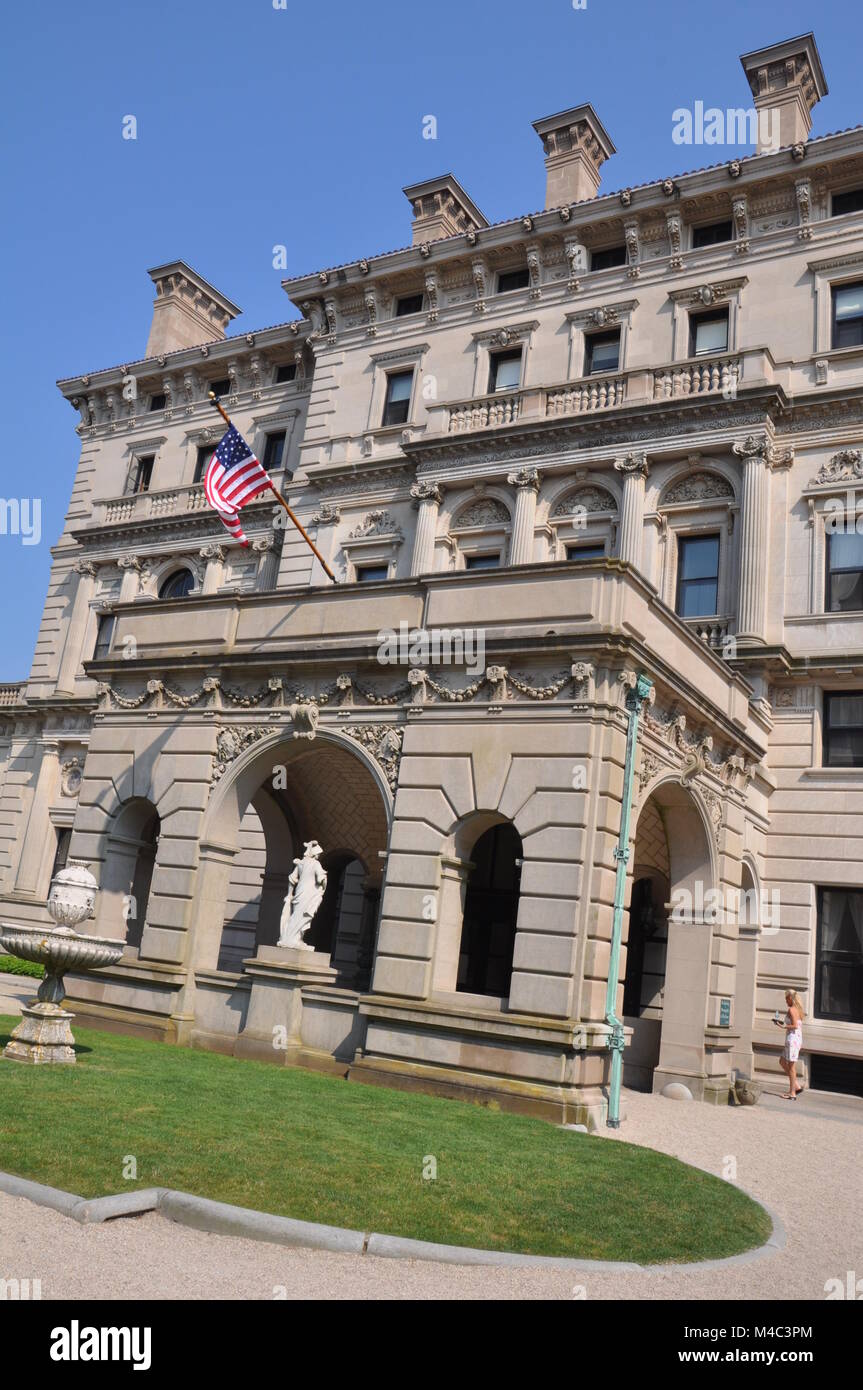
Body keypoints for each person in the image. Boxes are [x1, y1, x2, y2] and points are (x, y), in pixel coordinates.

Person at [773, 989, 805, 1099]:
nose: (785, 1001)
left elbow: (795, 1026)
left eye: (786, 999)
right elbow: (797, 1025)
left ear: (790, 998)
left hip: (792, 1040)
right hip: (796, 1039)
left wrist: (783, 1026)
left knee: (791, 1067)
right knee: (782, 1061)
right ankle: (796, 1086)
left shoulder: (791, 1009)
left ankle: (792, 1093)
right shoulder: (799, 1010)